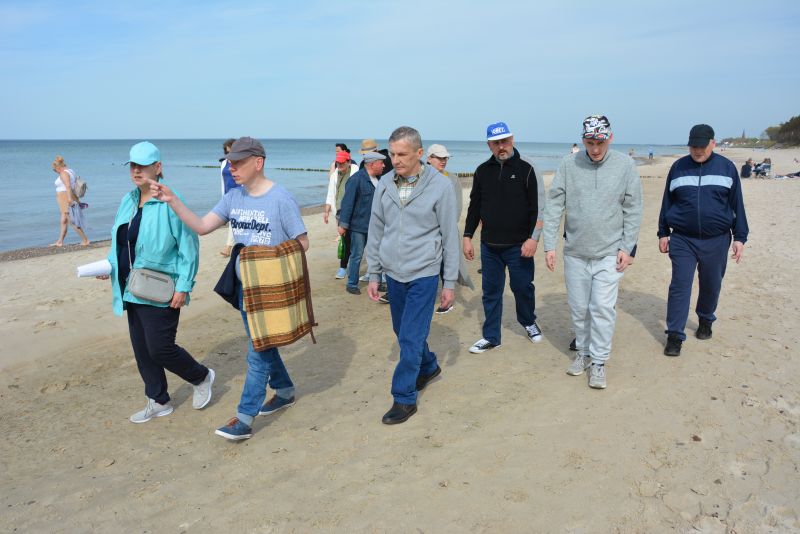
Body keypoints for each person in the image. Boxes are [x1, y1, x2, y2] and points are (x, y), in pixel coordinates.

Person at [150, 136, 309, 441]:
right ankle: (285, 390)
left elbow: (302, 244)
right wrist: (172, 200)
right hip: (244, 290)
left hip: (271, 293)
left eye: (238, 162)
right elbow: (201, 226)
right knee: (262, 345)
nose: (231, 167)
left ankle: (245, 417)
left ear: (257, 162)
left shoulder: (281, 199)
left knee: (257, 352)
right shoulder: (234, 198)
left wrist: (265, 259)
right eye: (229, 162)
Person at [100, 141, 214, 424]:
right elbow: (120, 241)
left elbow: (189, 246)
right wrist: (108, 265)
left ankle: (201, 377)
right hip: (130, 286)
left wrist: (184, 285)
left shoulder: (170, 201)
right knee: (141, 349)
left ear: (158, 167)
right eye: (133, 165)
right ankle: (159, 400)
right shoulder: (128, 200)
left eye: (143, 165)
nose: (137, 170)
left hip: (161, 287)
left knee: (160, 348)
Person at [365, 126, 459, 425]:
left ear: (420, 153)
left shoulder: (439, 187)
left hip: (424, 272)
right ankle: (429, 365)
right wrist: (373, 273)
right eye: (391, 154)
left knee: (409, 337)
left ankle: (404, 398)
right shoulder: (384, 185)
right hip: (393, 272)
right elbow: (376, 230)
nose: (396, 160)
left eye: (402, 154)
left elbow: (449, 235)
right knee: (402, 331)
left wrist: (450, 282)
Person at [543, 115, 643, 389]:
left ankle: (598, 361)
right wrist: (549, 245)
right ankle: (583, 354)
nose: (595, 149)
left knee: (601, 308)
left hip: (610, 252)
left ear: (610, 138)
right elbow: (554, 206)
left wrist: (627, 247)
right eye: (589, 142)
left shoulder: (625, 165)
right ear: (583, 140)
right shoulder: (569, 164)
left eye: (599, 142)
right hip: (575, 252)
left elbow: (633, 209)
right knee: (579, 309)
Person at [658, 124, 749, 357]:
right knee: (680, 286)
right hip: (683, 239)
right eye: (693, 146)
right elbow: (667, 202)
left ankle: (706, 319)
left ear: (712, 143)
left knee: (711, 284)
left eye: (701, 146)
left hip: (717, 240)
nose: (697, 151)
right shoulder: (678, 168)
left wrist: (740, 237)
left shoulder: (726, 168)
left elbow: (737, 204)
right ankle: (675, 336)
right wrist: (663, 232)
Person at [463, 121, 545, 354]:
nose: (502, 147)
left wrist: (533, 238)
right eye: (496, 143)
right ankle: (491, 336)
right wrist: (467, 236)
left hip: (520, 245)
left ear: (512, 140)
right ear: (489, 144)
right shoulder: (481, 171)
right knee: (490, 292)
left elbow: (538, 207)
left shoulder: (527, 167)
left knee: (522, 287)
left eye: (505, 141)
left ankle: (528, 321)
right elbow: (474, 207)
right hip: (490, 246)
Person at [426, 143, 474, 313]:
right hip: (425, 233)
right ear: (428, 158)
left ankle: (447, 299)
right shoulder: (420, 178)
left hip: (446, 231)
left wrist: (446, 228)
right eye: (439, 157)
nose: (444, 160)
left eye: (445, 157)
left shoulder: (452, 179)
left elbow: (457, 207)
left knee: (446, 265)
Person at [338, 151, 387, 295]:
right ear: (372, 164)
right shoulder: (356, 179)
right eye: (381, 163)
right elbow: (347, 203)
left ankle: (376, 282)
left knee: (377, 255)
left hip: (376, 226)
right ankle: (352, 283)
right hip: (359, 226)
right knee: (357, 255)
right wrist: (343, 225)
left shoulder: (380, 180)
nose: (384, 165)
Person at [324, 150, 359, 279]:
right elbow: (330, 193)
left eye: (342, 163)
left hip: (354, 212)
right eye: (338, 163)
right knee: (344, 241)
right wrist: (326, 211)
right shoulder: (335, 175)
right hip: (340, 213)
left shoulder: (356, 173)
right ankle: (343, 268)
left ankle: (351, 267)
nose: (340, 165)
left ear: (349, 162)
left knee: (354, 241)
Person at [51, 155, 90, 247]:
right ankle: (60, 241)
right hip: (67, 196)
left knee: (72, 220)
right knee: (63, 220)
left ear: (58, 167)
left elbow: (68, 186)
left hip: (65, 197)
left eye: (54, 170)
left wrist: (69, 199)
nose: (55, 172)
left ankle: (85, 240)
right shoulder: (71, 171)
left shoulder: (63, 173)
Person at [219, 138, 238, 256]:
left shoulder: (240, 162)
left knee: (234, 220)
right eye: (227, 152)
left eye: (231, 152)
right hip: (227, 195)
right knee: (234, 220)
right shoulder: (224, 163)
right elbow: (222, 181)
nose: (229, 154)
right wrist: (223, 197)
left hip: (239, 194)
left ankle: (228, 246)